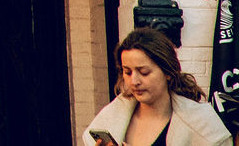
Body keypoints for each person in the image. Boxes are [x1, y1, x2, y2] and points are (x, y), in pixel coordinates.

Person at [84, 28, 233, 146]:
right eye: (127, 72)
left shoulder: (201, 125)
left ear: (167, 72)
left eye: (144, 72)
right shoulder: (110, 118)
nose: (134, 81)